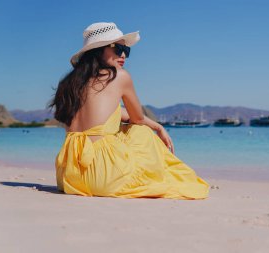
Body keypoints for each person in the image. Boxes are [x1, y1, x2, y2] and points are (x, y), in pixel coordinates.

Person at [49, 22, 209, 199]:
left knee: (128, 128)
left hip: (69, 176)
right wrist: (156, 128)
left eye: (127, 51)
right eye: (118, 49)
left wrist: (157, 125)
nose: (123, 55)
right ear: (99, 49)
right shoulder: (119, 76)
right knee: (141, 132)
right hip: (102, 176)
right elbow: (138, 119)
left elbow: (114, 114)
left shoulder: (70, 84)